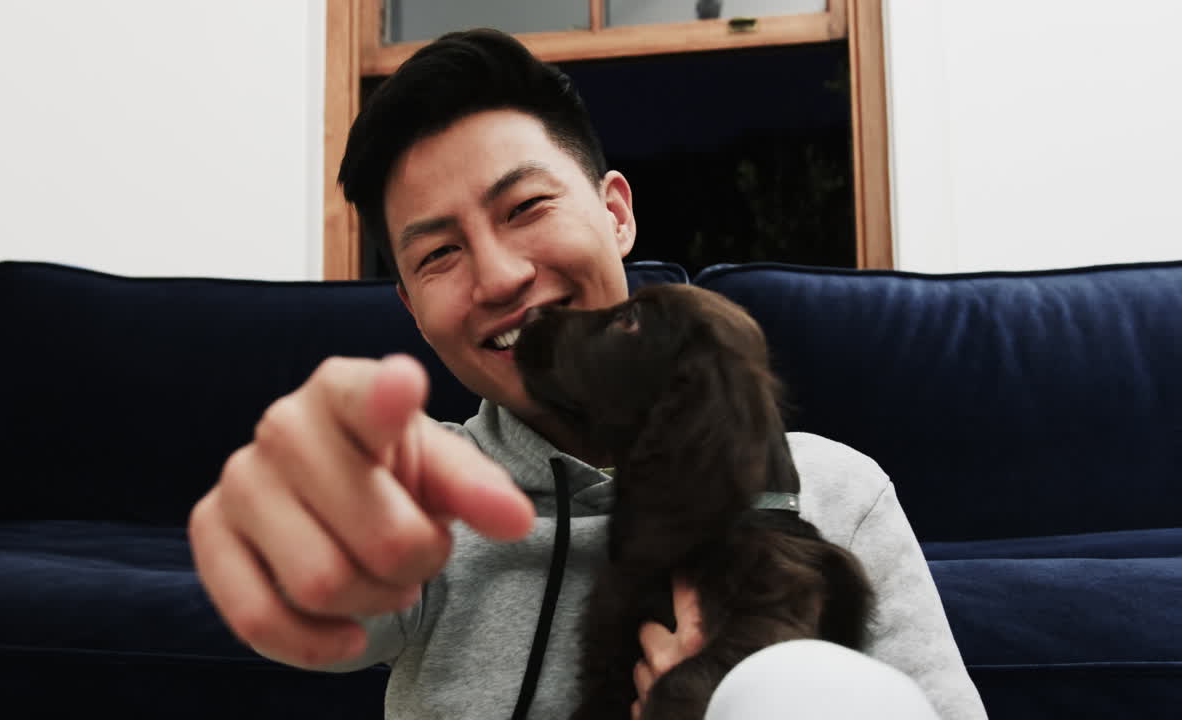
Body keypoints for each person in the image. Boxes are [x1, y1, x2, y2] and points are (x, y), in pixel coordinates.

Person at [188, 28, 987, 720]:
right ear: (411, 309)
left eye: (525, 207)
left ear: (616, 213)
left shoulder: (836, 495)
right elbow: (325, 574)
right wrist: (286, 525)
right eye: (439, 253)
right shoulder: (425, 496)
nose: (499, 276)